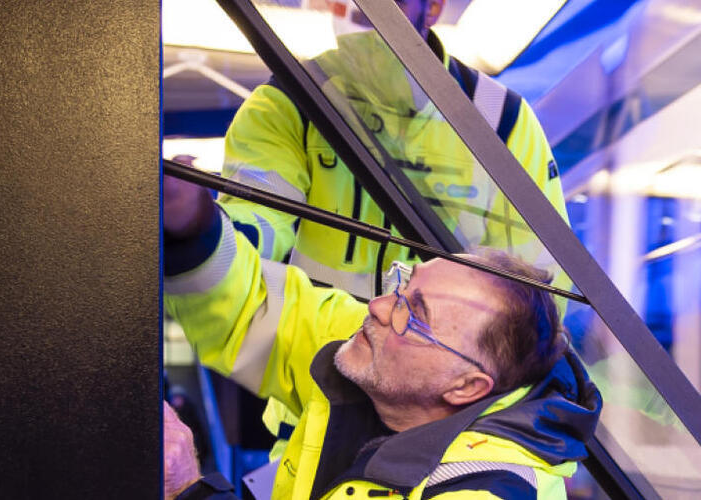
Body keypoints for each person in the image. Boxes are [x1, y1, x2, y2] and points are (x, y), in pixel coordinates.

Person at [215, 0, 571, 468]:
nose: (361, 10)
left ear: (434, 8)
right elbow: (250, 233)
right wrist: (204, 235)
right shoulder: (291, 101)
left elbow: (538, 294)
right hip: (317, 403)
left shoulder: (498, 120)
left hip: (446, 425)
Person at [163, 175, 601, 499]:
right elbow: (250, 309)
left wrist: (186, 489)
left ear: (466, 386)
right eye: (402, 285)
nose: (378, 307)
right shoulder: (375, 349)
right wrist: (194, 228)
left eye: (415, 314)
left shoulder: (485, 488)